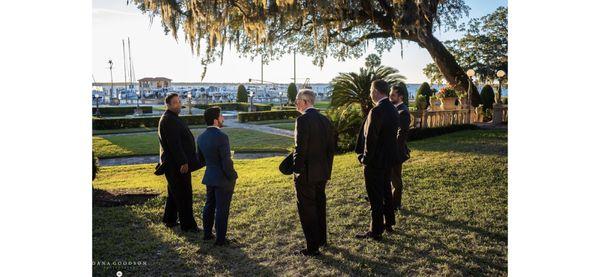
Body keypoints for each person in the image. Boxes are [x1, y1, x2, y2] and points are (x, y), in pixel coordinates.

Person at [355, 80, 402, 241]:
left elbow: (371, 139)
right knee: (386, 192)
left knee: (375, 197)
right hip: (388, 159)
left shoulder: (377, 111)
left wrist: (365, 159)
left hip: (375, 161)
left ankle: (375, 231)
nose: (370, 93)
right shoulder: (393, 109)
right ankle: (389, 222)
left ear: (375, 91)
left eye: (370, 90)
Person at [292, 89, 336, 256]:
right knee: (319, 205)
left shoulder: (302, 120)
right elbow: (331, 149)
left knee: (307, 208)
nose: (295, 104)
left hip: (306, 173)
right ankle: (321, 239)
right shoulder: (325, 120)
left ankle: (312, 247)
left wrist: (296, 170)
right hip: (322, 172)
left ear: (305, 101)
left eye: (297, 100)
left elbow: (300, 148)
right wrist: (327, 170)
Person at [158, 93, 201, 232]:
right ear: (168, 105)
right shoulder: (168, 119)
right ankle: (188, 226)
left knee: (174, 192)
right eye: (175, 102)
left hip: (174, 163)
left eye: (179, 101)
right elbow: (174, 144)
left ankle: (169, 219)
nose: (178, 104)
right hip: (176, 164)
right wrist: (183, 162)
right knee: (184, 194)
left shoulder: (172, 117)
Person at [197, 107, 238, 246]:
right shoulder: (222, 137)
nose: (223, 119)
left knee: (209, 205)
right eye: (221, 116)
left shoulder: (201, 137)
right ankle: (220, 239)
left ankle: (207, 234)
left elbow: (201, 160)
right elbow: (226, 162)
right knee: (222, 208)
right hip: (223, 179)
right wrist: (233, 176)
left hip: (209, 176)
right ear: (215, 120)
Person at [389, 85, 412, 211]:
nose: (390, 97)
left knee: (396, 179)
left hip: (396, 152)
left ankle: (396, 203)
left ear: (400, 97)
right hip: (391, 150)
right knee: (389, 177)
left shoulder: (403, 112)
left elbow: (401, 135)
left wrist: (392, 151)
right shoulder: (394, 109)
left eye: (393, 95)